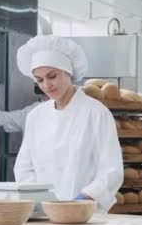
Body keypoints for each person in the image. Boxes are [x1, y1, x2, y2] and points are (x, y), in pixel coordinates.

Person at [12, 35, 123, 212]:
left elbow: (111, 170)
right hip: (44, 215)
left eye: (52, 76)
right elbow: (25, 167)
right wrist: (40, 200)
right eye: (39, 80)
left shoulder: (96, 113)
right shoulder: (36, 116)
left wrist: (86, 197)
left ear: (68, 72)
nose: (47, 85)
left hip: (85, 214)